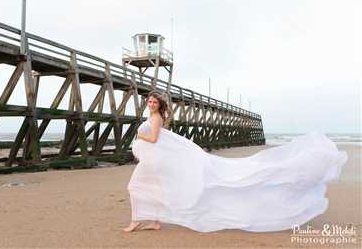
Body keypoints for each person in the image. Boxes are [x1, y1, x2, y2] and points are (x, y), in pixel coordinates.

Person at [123, 90, 348, 233]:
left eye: (154, 101)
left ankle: (139, 221)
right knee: (150, 187)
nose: (151, 103)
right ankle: (152, 220)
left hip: (155, 162)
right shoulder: (154, 117)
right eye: (149, 101)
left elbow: (153, 138)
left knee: (137, 186)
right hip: (155, 162)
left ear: (158, 105)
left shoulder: (154, 119)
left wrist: (139, 136)